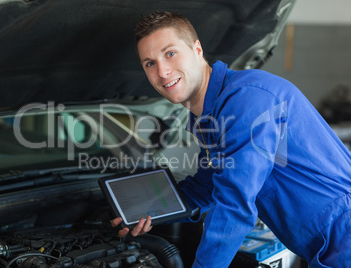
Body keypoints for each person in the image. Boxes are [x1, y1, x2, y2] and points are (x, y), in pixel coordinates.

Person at [112, 11, 351, 268]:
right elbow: (208, 185)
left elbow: (234, 202)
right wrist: (149, 211)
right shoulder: (209, 117)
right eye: (150, 63)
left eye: (170, 53)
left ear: (197, 49)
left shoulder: (246, 100)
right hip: (323, 244)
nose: (162, 71)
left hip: (343, 237)